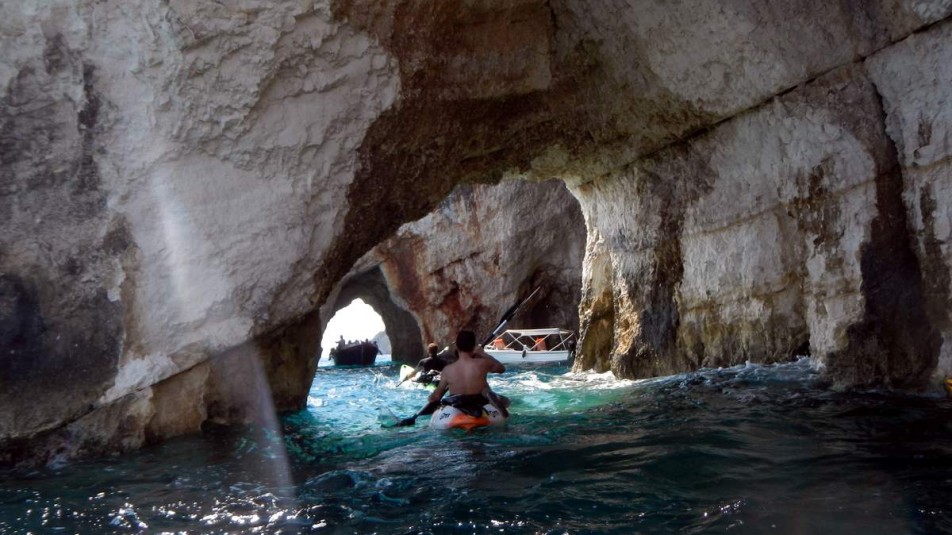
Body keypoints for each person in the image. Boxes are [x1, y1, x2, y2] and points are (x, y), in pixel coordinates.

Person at [428, 330, 509, 417]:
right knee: (504, 400)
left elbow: (436, 396)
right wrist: (483, 353)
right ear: (473, 347)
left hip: (457, 406)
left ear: (457, 347)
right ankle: (491, 398)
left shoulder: (447, 370)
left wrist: (431, 397)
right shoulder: (483, 363)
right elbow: (501, 368)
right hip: (480, 403)